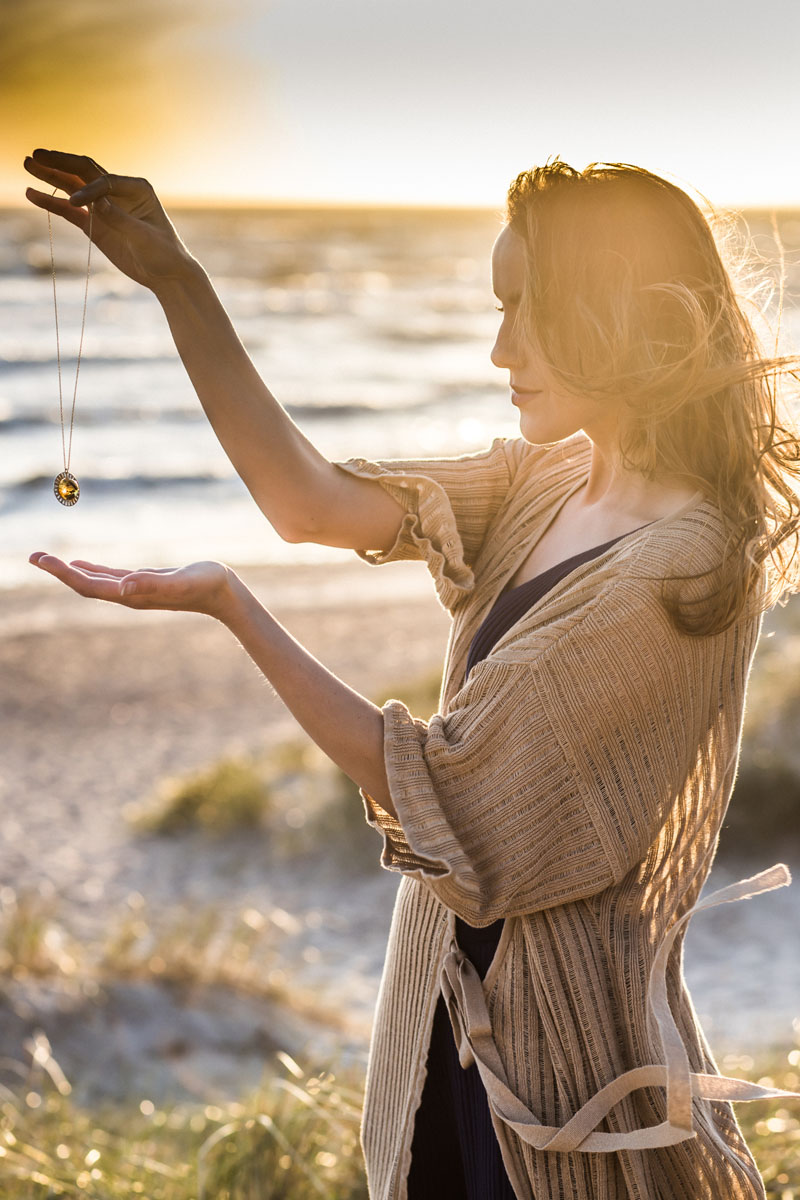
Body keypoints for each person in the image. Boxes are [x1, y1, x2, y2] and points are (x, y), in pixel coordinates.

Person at [23, 150, 800, 1199]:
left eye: (524, 310)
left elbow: (446, 791)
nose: (496, 348)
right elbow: (306, 500)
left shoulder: (682, 562)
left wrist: (232, 608)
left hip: (564, 1052)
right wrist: (178, 281)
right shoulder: (544, 480)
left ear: (608, 313)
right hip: (445, 1001)